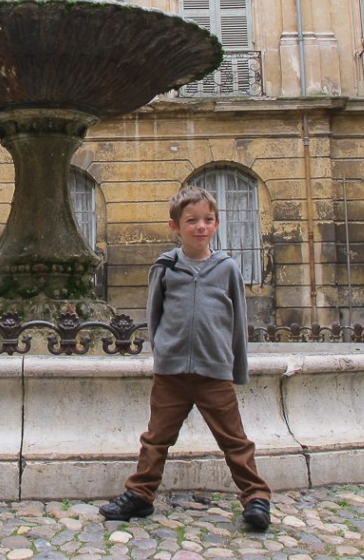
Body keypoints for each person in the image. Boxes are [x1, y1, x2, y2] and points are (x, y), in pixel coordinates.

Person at [99, 185, 272, 533]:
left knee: (235, 440)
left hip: (213, 372)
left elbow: (238, 321)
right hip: (172, 373)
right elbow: (155, 316)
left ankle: (256, 498)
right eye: (191, 221)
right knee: (156, 438)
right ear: (175, 227)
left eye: (208, 220)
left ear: (217, 224)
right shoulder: (165, 268)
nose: (200, 227)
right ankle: (140, 494)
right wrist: (161, 354)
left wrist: (237, 368)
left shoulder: (227, 269)